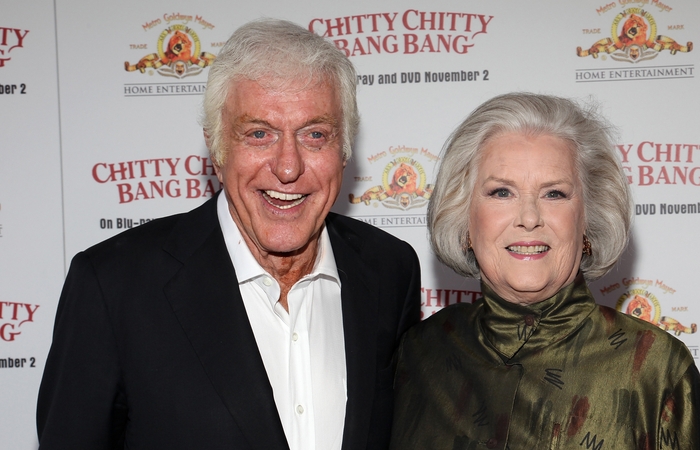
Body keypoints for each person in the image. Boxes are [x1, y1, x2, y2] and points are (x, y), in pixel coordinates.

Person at [37, 18, 420, 450]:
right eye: (259, 134)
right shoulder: (112, 287)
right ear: (216, 150)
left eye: (315, 135)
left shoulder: (390, 270)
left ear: (344, 150)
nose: (288, 167)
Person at [390, 93, 700, 449]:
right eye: (501, 192)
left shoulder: (655, 367)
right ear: (464, 218)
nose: (529, 218)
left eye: (554, 194)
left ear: (589, 218)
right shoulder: (420, 354)